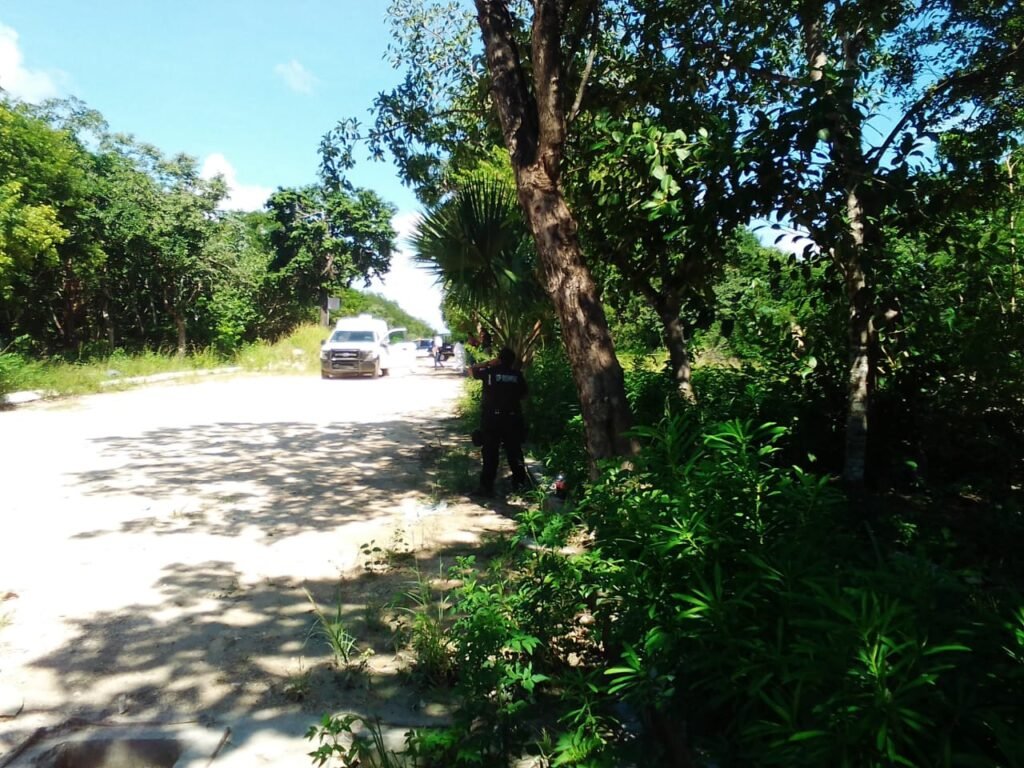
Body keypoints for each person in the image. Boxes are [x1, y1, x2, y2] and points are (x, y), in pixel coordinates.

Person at [468, 347, 528, 497]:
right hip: (512, 418)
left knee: (490, 454)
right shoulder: (517, 375)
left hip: (492, 419)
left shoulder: (489, 372)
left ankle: (486, 487)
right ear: (512, 361)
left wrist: (489, 363)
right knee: (514, 452)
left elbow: (471, 370)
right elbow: (524, 394)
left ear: (499, 359)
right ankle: (520, 485)